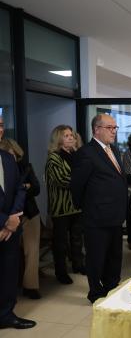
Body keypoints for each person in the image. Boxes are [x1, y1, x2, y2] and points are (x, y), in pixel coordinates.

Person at [71, 114, 127, 304]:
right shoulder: (86, 153)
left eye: (115, 128)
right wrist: (86, 209)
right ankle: (95, 292)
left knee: (115, 255)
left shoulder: (115, 150)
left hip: (115, 214)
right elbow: (77, 186)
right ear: (96, 129)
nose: (114, 131)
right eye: (110, 128)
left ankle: (112, 287)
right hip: (96, 215)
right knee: (96, 256)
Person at [0, 132, 36, 329]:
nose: (0, 130)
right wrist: (4, 220)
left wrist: (13, 220)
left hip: (11, 228)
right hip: (5, 224)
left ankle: (6, 315)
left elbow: (19, 189)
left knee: (9, 273)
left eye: (1, 125)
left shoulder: (7, 157)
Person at [45, 125, 85, 285]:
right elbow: (61, 180)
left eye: (71, 135)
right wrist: (81, 180)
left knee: (77, 239)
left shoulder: (76, 155)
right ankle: (60, 272)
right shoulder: (53, 157)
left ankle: (78, 265)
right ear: (58, 138)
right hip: (61, 207)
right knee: (60, 242)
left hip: (77, 205)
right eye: (66, 135)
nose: (71, 138)